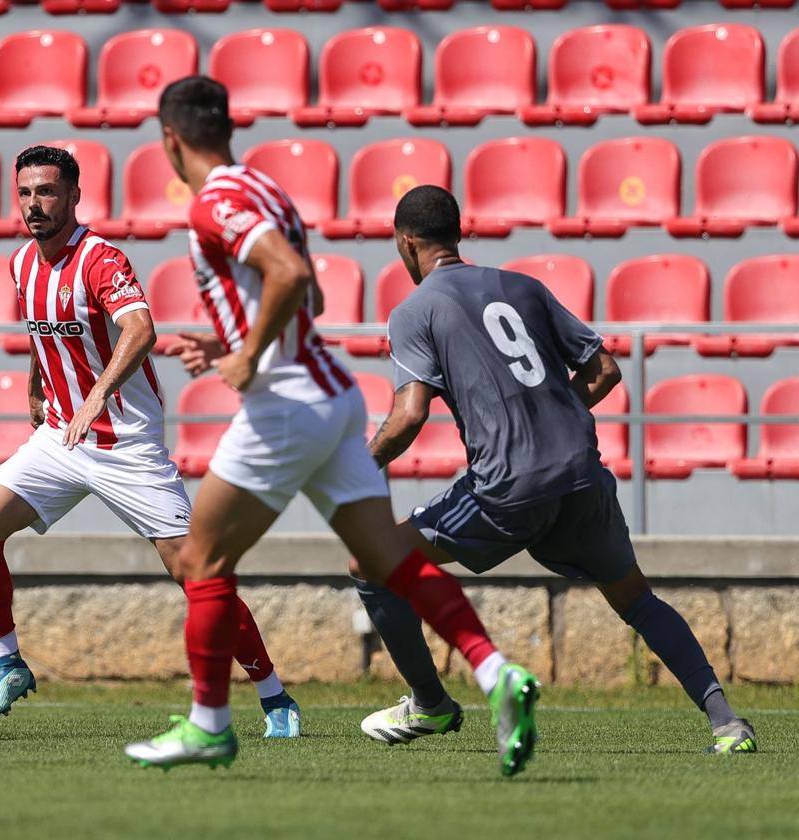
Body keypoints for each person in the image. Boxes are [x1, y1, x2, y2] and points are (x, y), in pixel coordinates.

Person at [125, 76, 540, 776]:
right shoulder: (267, 190)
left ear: (170, 139)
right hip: (336, 395)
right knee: (394, 561)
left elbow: (287, 277)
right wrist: (234, 348)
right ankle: (497, 673)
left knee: (199, 561)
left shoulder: (214, 203)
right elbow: (307, 287)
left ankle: (208, 726)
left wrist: (249, 357)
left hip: (285, 405)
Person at [363, 184, 755, 755]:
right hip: (578, 471)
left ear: (406, 243)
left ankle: (432, 705)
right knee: (637, 599)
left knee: (370, 563)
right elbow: (604, 371)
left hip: (508, 485)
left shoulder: (414, 311)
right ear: (458, 234)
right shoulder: (522, 285)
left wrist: (362, 462)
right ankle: (726, 721)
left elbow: (409, 414)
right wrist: (555, 414)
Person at [0, 146, 300, 737]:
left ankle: (274, 696)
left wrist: (96, 398)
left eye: (46, 192)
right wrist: (38, 389)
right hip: (62, 436)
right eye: (25, 193)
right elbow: (46, 337)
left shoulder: (100, 259)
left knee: (194, 571)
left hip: (125, 444)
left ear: (73, 196)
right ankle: (9, 662)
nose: (34, 204)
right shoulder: (21, 264)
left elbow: (141, 330)